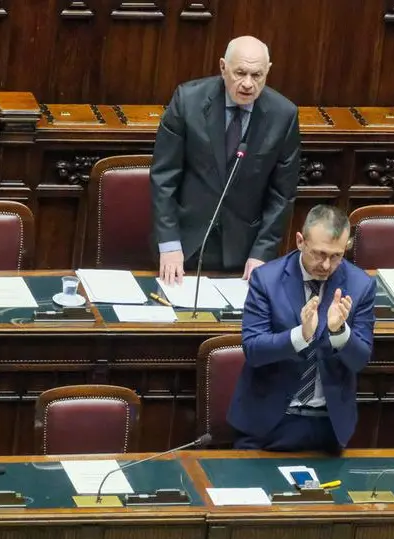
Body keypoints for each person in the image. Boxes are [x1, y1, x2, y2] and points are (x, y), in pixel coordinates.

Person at [151, 35, 301, 285]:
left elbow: (282, 194)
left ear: (268, 70)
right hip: (184, 245)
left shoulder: (283, 115)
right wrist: (169, 244)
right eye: (240, 73)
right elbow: (164, 176)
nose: (248, 84)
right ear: (223, 67)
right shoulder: (188, 101)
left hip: (244, 252)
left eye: (257, 75)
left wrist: (261, 253)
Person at [227, 204, 377, 452]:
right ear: (300, 241)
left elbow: (360, 360)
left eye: (336, 256)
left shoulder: (360, 285)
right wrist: (300, 336)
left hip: (328, 426)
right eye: (319, 253)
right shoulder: (266, 279)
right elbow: (253, 350)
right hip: (267, 425)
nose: (326, 265)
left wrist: (340, 333)